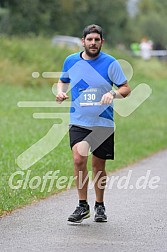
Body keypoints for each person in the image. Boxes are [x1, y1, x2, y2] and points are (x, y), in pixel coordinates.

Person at [56, 24, 131, 223]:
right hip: (79, 121)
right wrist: (61, 91)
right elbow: (63, 80)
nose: (93, 43)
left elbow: (126, 88)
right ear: (83, 41)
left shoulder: (110, 63)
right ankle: (82, 205)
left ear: (102, 42)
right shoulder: (71, 60)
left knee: (98, 166)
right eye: (90, 39)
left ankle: (99, 205)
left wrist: (112, 93)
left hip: (102, 123)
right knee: (79, 159)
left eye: (97, 40)